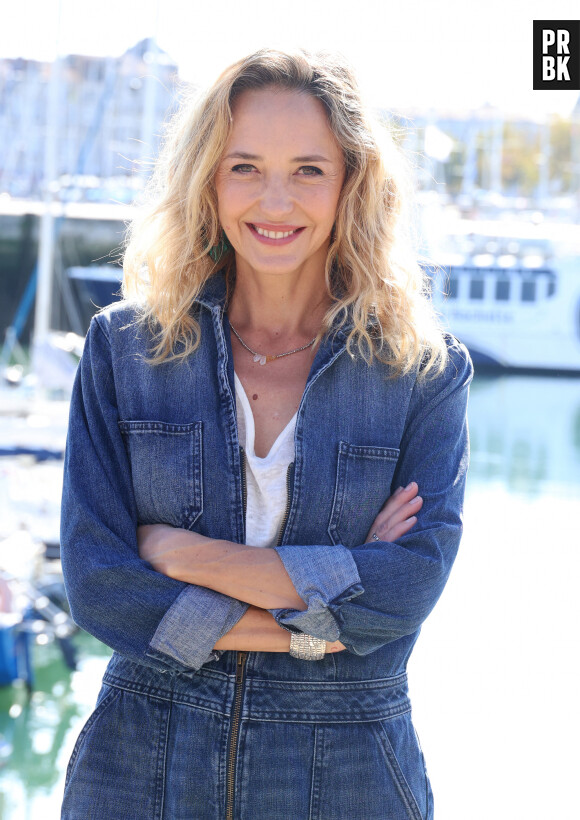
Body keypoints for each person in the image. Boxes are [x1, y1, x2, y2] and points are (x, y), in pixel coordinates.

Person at [60, 48, 472, 820]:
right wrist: (318, 627)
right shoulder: (125, 350)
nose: (274, 200)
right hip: (141, 761)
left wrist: (186, 557)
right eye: (244, 166)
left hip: (347, 766)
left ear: (352, 182)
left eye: (308, 169)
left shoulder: (421, 370)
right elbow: (101, 585)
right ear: (206, 180)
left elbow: (404, 591)